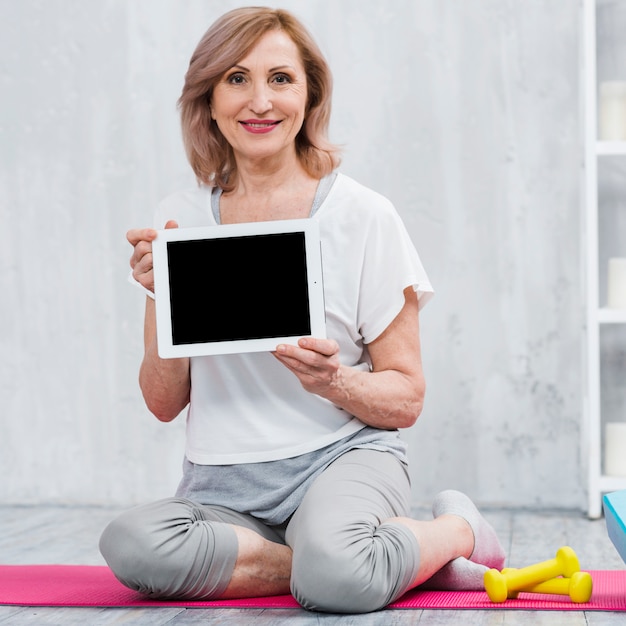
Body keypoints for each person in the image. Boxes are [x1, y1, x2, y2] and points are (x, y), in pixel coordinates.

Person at [99, 6, 505, 614]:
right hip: (222, 485)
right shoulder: (176, 218)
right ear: (207, 100)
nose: (259, 100)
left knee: (337, 583)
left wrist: (333, 380)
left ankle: (457, 532)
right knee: (130, 546)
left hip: (344, 460)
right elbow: (163, 404)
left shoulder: (364, 216)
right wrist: (162, 296)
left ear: (310, 96)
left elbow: (407, 398)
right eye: (235, 79)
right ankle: (346, 556)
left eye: (281, 78)